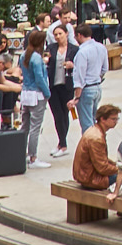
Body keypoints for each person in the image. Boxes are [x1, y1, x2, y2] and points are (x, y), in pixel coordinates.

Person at [18, 29, 52, 169]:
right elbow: (39, 78)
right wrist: (47, 93)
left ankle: (22, 153)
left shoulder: (23, 55)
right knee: (35, 128)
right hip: (37, 94)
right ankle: (33, 157)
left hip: (26, 93)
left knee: (25, 125)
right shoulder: (37, 58)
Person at [72, 102, 121, 192]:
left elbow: (101, 159)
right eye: (113, 119)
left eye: (117, 119)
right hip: (92, 179)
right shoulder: (96, 138)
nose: (116, 122)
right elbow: (103, 168)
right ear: (103, 119)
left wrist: (116, 165)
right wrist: (121, 170)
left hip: (86, 176)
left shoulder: (95, 130)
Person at [46, 23, 77, 158]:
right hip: (53, 85)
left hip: (67, 85)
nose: (58, 37)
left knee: (65, 114)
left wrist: (72, 65)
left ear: (67, 34)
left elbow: (81, 66)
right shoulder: (51, 48)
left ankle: (62, 144)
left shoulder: (74, 49)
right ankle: (62, 144)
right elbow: (45, 60)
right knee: (57, 115)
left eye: (60, 34)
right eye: (56, 35)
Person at [72, 25, 109, 133]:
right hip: (97, 86)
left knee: (87, 124)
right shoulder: (101, 47)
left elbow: (79, 76)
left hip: (86, 89)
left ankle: (90, 146)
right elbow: (105, 68)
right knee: (94, 120)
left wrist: (77, 97)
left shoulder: (82, 52)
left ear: (79, 35)